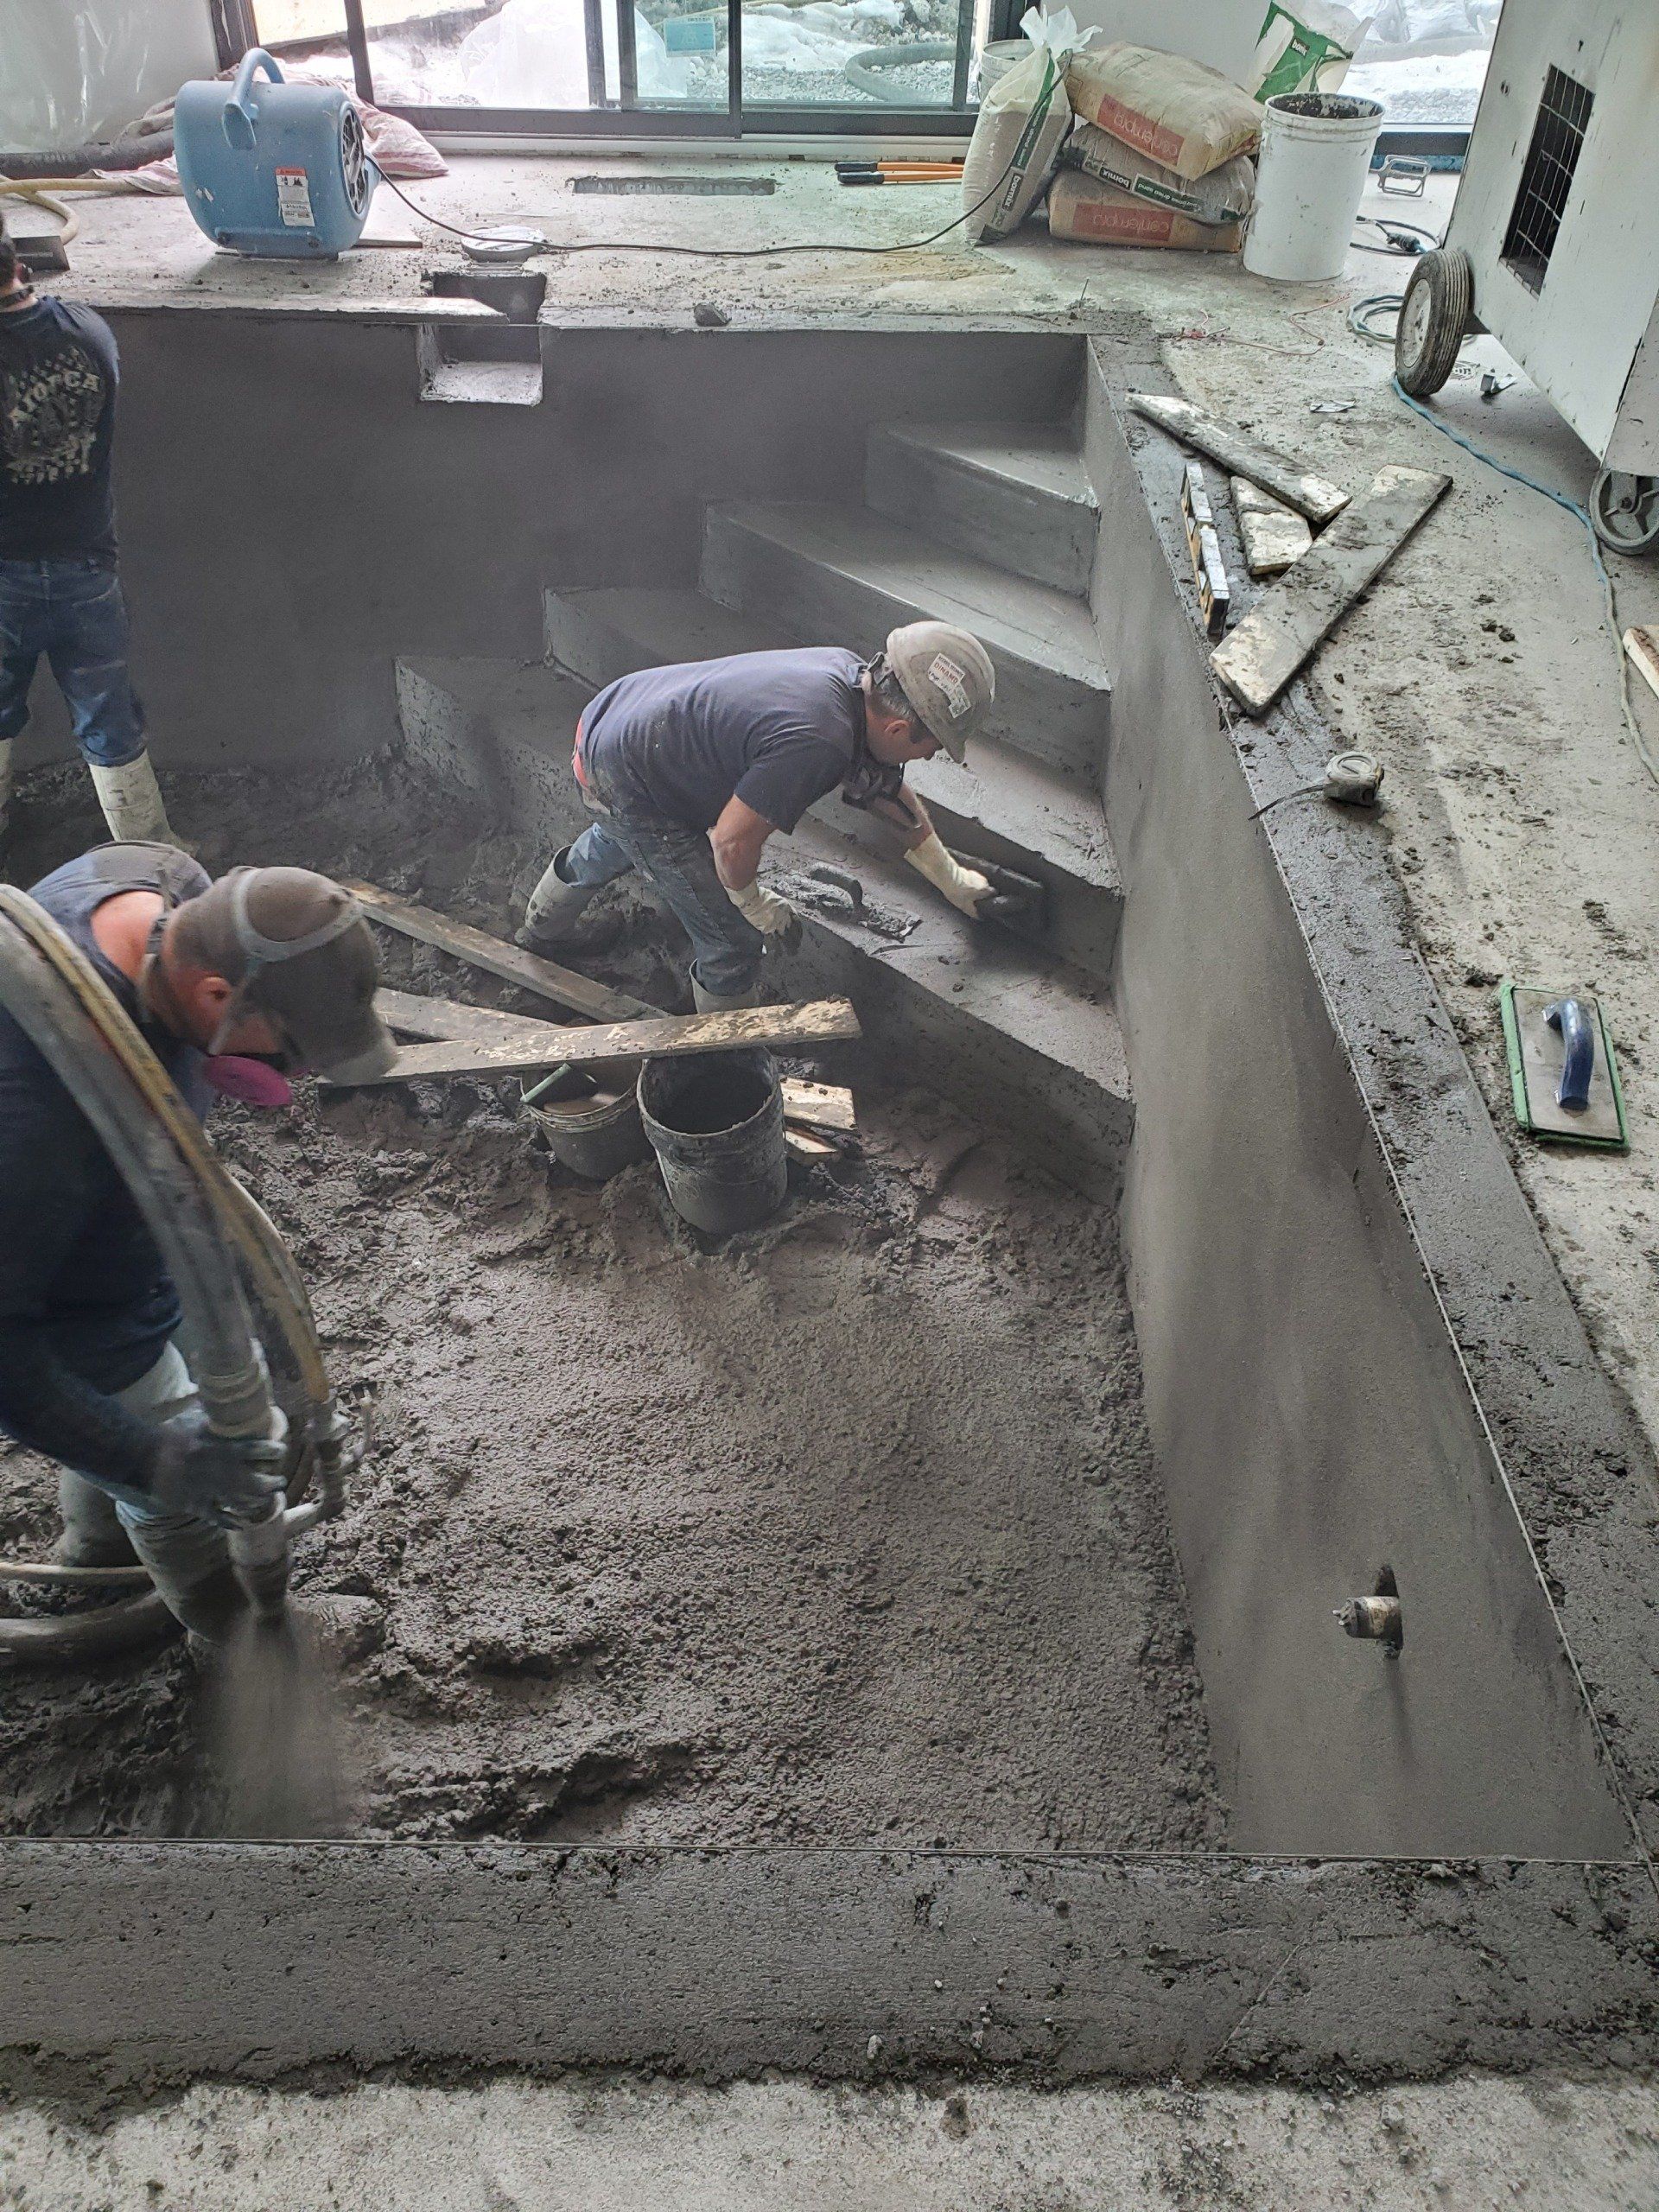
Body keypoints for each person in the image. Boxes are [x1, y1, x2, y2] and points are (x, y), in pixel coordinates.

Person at [0, 842, 397, 1641]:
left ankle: (96, 1547)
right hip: (70, 1313)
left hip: (139, 1229)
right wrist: (155, 1460)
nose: (286, 1075)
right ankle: (232, 1630)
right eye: (284, 1053)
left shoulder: (163, 889)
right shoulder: (33, 1129)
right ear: (216, 994)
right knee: (171, 1451)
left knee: (173, 1420)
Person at [518, 622, 1000, 1011]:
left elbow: (880, 787)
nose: (925, 759)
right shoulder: (818, 743)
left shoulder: (845, 675)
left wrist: (949, 875)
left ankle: (540, 930)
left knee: (614, 840)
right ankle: (727, 1063)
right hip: (631, 777)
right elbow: (730, 842)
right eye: (930, 748)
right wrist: (754, 905)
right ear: (898, 728)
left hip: (618, 721)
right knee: (731, 942)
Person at [0, 218, 182, 851]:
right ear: (19, 265)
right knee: (109, 717)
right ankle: (153, 857)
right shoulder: (90, 334)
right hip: (87, 576)